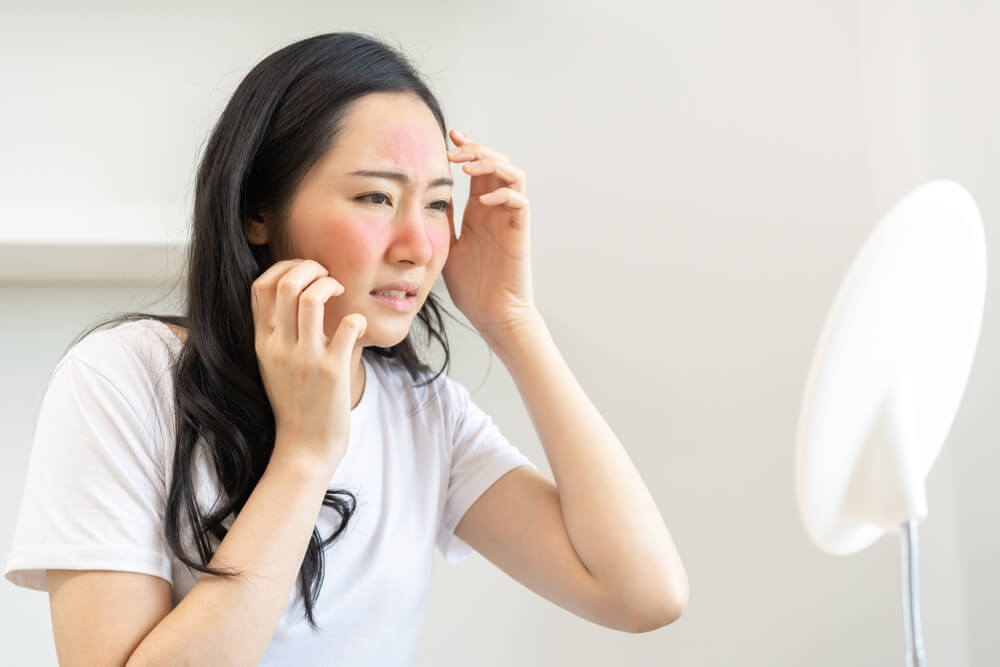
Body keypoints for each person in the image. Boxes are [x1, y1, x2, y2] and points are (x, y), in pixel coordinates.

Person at [4, 32, 688, 666]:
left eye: (437, 203)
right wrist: (305, 451)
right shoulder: (125, 378)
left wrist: (512, 319)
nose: (418, 246)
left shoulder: (424, 415)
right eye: (375, 197)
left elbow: (642, 593)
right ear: (257, 211)